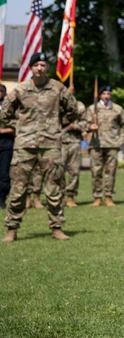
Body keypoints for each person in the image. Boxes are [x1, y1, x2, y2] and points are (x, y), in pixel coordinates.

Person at [1, 52, 82, 242]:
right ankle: (12, 229)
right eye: (36, 65)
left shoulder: (58, 88)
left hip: (51, 144)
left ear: (47, 68)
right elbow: (5, 113)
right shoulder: (20, 90)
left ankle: (57, 228)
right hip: (25, 145)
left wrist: (58, 125)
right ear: (30, 67)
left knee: (54, 188)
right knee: (18, 189)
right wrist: (18, 127)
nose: (40, 68)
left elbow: (73, 110)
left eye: (43, 65)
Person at [85, 85, 124, 207]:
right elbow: (84, 124)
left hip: (112, 144)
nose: (106, 96)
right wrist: (90, 127)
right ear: (100, 95)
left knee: (110, 172)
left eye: (108, 94)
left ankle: (108, 196)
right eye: (104, 93)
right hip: (96, 144)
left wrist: (120, 141)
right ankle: (98, 197)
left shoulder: (117, 109)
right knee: (96, 171)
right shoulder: (92, 109)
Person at [61, 88, 88, 208]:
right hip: (59, 142)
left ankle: (70, 197)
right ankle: (59, 197)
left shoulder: (80, 105)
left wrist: (75, 126)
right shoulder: (56, 104)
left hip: (75, 142)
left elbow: (85, 123)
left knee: (74, 171)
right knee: (58, 172)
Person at [0, 84, 13, 209]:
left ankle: (2, 198)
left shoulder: (10, 108)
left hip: (5, 144)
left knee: (4, 174)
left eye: (1, 91)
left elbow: (18, 126)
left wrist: (3, 131)